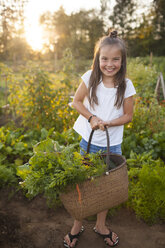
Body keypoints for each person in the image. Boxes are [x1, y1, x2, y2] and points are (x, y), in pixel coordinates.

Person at [64, 30, 136, 248]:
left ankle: (101, 226)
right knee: (82, 185)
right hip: (88, 141)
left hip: (111, 144)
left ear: (122, 61)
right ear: (98, 58)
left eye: (115, 59)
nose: (110, 64)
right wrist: (92, 118)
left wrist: (107, 123)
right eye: (105, 58)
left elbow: (128, 116)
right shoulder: (90, 78)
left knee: (106, 187)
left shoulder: (126, 85)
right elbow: (76, 102)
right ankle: (77, 225)